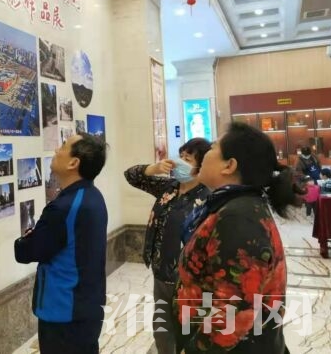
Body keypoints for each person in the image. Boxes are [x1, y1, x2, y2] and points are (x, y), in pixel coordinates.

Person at [174, 122, 301, 354]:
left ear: (229, 165)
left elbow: (232, 312)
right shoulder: (233, 205)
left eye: (213, 148)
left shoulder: (238, 218)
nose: (206, 154)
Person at [14, 133, 107, 354]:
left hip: (64, 312)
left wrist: (23, 241)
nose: (57, 150)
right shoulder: (93, 196)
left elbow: (27, 251)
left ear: (74, 163)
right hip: (86, 308)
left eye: (63, 146)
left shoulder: (64, 207)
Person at [124, 138, 211, 354]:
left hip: (189, 277)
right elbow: (131, 175)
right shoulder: (168, 187)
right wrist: (153, 168)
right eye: (180, 156)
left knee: (188, 328)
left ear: (200, 166)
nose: (180, 162)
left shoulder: (208, 196)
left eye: (187, 159)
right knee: (162, 326)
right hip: (161, 269)